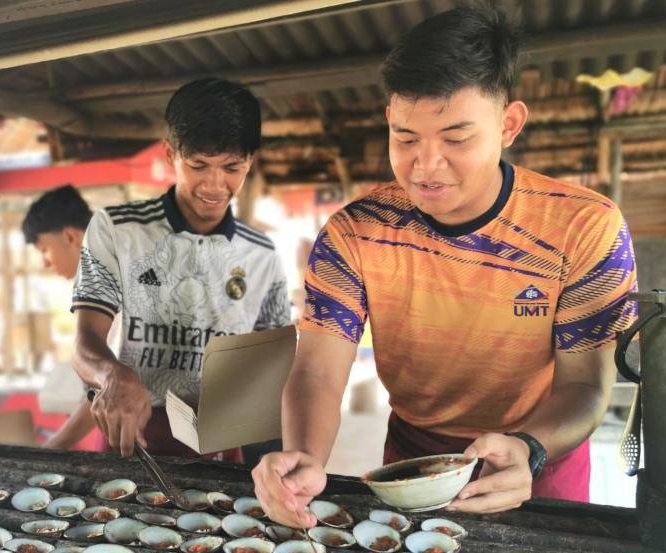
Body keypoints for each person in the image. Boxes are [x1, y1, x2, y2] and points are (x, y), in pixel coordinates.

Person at [253, 5, 638, 525]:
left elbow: (585, 386)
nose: (425, 165)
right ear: (389, 118)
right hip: (416, 461)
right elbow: (318, 370)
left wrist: (529, 447)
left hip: (538, 459)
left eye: (456, 140)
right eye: (406, 139)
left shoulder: (584, 227)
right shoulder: (355, 233)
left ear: (509, 124)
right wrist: (304, 455)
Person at [71, 77, 292, 460]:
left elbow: (270, 368)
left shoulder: (262, 256)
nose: (214, 184)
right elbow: (84, 343)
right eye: (199, 165)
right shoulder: (117, 230)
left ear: (250, 162)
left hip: (220, 445)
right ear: (170, 153)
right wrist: (112, 375)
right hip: (132, 439)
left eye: (231, 167)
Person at [21, 184, 105, 450]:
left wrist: (53, 448)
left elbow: (106, 391)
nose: (45, 262)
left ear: (70, 236)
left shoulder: (108, 286)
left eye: (44, 249)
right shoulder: (97, 283)